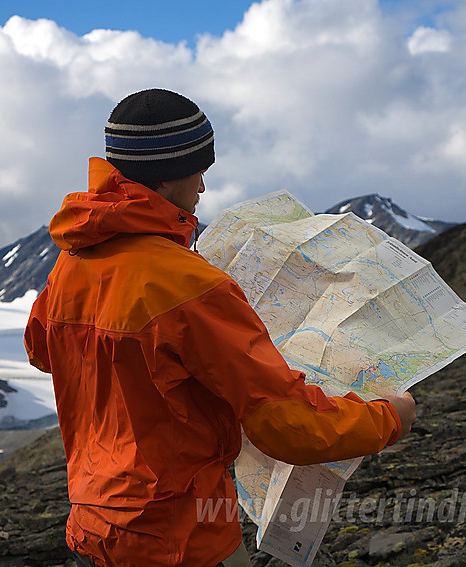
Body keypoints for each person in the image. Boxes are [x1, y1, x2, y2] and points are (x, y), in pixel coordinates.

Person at [24, 88, 416, 567]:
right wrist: (391, 417)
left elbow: (43, 350)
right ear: (168, 179)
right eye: (199, 171)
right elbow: (288, 428)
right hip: (182, 538)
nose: (203, 188)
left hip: (93, 527)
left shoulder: (72, 261)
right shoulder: (188, 282)